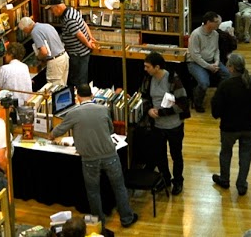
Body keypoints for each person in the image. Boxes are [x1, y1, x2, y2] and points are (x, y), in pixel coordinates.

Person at [51, 84, 139, 230]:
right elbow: (110, 129)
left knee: (93, 192)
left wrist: (50, 135)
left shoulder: (73, 113)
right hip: (110, 155)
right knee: (119, 187)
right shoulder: (104, 109)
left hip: (89, 159)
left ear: (78, 97)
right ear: (92, 95)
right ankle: (127, 218)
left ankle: (99, 224)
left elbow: (57, 131)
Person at [211, 52, 251, 196]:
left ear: (231, 68)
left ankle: (224, 179)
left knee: (225, 152)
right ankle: (241, 184)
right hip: (249, 126)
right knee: (246, 155)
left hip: (229, 128)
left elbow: (216, 109)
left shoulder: (225, 85)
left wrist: (220, 115)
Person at [139, 51, 188, 195]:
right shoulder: (148, 79)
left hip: (174, 126)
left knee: (176, 155)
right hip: (157, 126)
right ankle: (165, 178)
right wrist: (148, 110)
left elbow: (183, 104)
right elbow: (144, 97)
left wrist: (160, 113)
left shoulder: (172, 79)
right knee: (159, 155)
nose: (145, 69)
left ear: (157, 67)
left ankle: (178, 181)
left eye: (148, 66)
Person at [45, 0, 96, 86]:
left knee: (78, 80)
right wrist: (90, 37)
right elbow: (84, 24)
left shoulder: (68, 18)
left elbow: (79, 34)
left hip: (78, 54)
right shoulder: (72, 10)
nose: (52, 12)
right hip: (82, 52)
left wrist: (88, 44)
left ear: (57, 7)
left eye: (52, 9)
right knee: (80, 78)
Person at [186, 12, 228, 111]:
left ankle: (219, 98)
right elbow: (195, 55)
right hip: (195, 63)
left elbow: (216, 50)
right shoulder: (196, 34)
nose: (219, 24)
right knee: (204, 83)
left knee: (227, 75)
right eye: (216, 22)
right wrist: (209, 66)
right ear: (208, 22)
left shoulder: (215, 34)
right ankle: (197, 102)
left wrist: (216, 62)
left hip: (211, 61)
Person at [20, 16, 69, 85]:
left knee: (53, 87)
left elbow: (44, 52)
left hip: (55, 62)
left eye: (24, 30)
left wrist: (39, 57)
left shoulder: (35, 32)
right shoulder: (46, 25)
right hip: (63, 57)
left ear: (26, 27)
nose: (25, 32)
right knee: (62, 86)